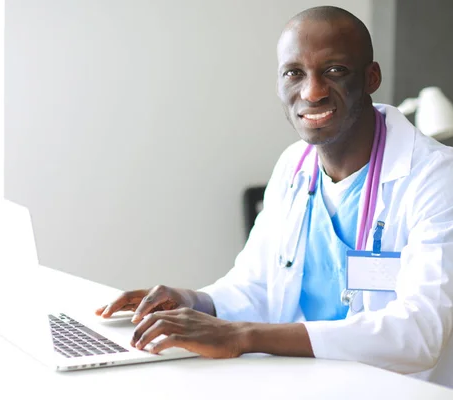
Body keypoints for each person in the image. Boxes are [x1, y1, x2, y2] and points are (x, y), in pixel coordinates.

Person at [95, 6, 453, 384]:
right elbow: (257, 285)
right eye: (294, 73)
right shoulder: (294, 166)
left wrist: (243, 336)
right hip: (302, 381)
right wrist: (196, 302)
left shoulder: (435, 177)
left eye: (334, 71)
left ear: (371, 77)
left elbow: (419, 332)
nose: (311, 91)